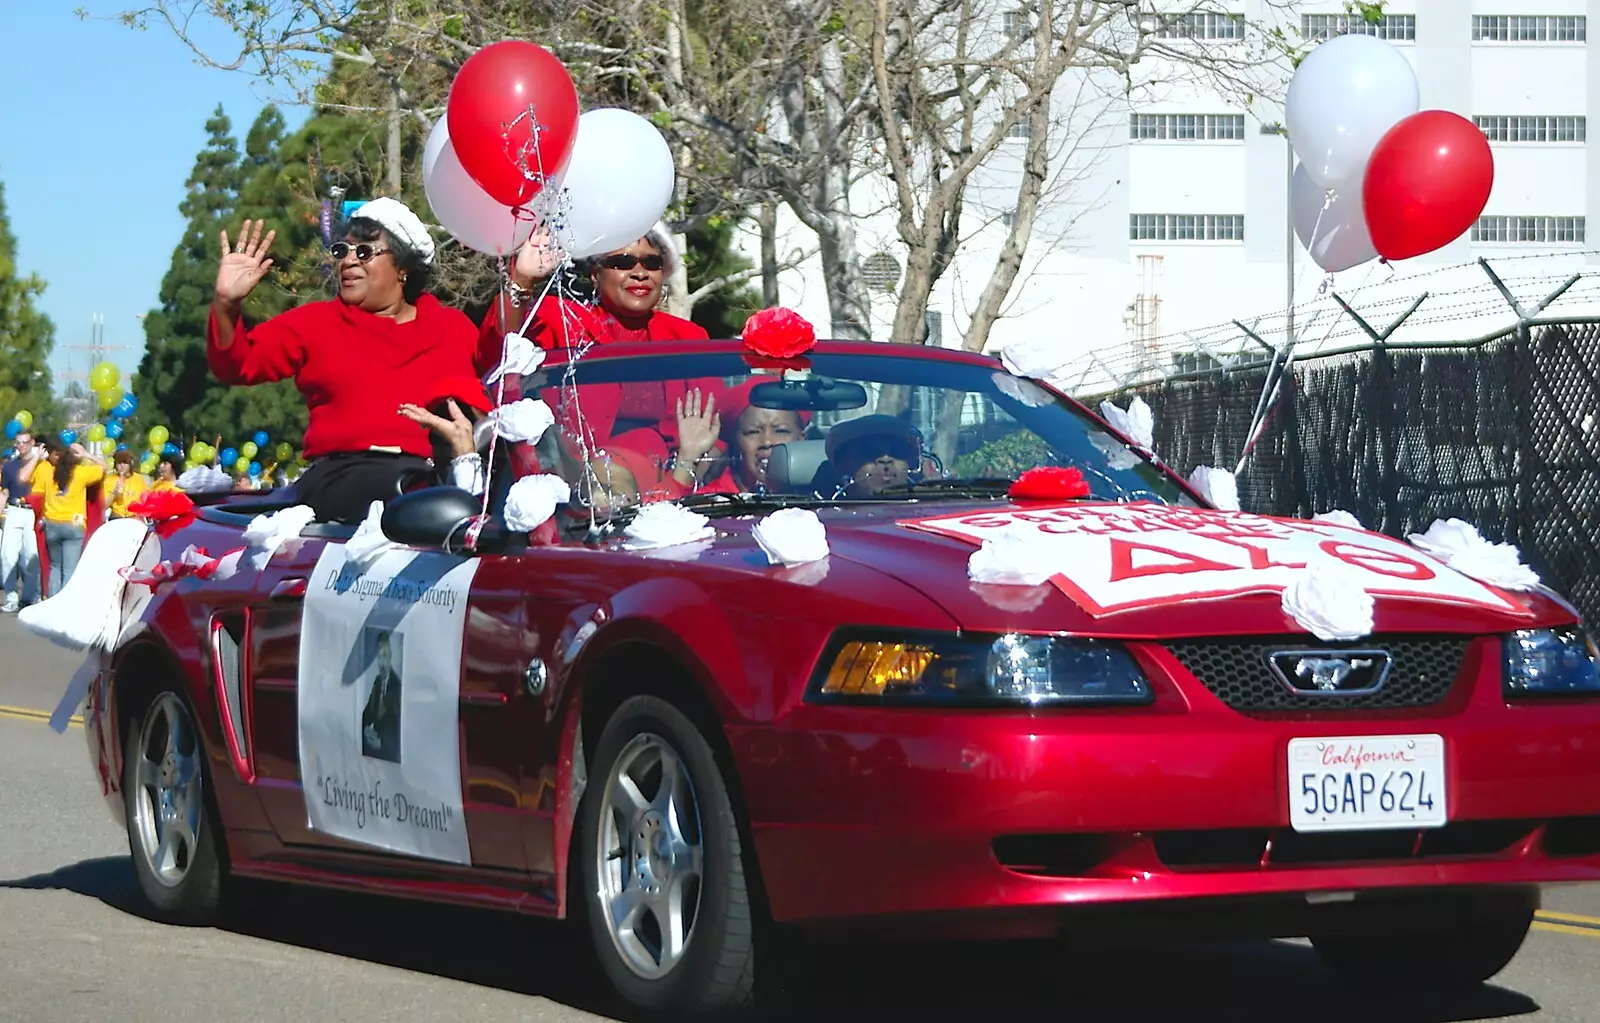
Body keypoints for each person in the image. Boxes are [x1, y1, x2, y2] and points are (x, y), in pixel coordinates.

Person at [207, 199, 497, 523]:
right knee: (407, 497)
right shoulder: (316, 322)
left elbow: (506, 368)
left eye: (364, 252)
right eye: (342, 251)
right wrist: (225, 305)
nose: (347, 261)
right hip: (342, 481)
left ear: (403, 267)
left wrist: (521, 284)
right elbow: (239, 363)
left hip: (436, 480)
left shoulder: (453, 328)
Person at [492, 225, 719, 454]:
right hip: (582, 478)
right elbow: (502, 346)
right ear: (595, 274)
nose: (640, 273)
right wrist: (522, 281)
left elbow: (721, 423)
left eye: (652, 263)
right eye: (623, 262)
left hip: (676, 476)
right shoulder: (563, 319)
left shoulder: (688, 336)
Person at [31, 439, 106, 596]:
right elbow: (104, 467)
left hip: (52, 524)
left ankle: (51, 603)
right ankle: (64, 605)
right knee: (70, 569)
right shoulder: (80, 473)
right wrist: (86, 454)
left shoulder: (49, 473)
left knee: (55, 567)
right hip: (73, 525)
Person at [821, 415, 921, 497]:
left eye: (898, 450)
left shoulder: (930, 509)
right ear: (842, 465)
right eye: (869, 451)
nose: (886, 459)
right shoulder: (813, 518)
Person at [0, 431, 44, 612]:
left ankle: (29, 596)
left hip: (32, 513)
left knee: (31, 557)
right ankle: (11, 597)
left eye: (25, 442)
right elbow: (4, 492)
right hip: (14, 510)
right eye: (18, 443)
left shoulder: (42, 465)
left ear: (32, 442)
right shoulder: (10, 466)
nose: (21, 446)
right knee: (8, 555)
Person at [361, 631, 403, 763]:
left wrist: (382, 743)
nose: (382, 663)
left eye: (384, 656)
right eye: (379, 657)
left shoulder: (398, 687)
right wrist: (365, 728)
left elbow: (399, 728)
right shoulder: (377, 681)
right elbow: (366, 714)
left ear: (390, 656)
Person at [102, 449, 149, 519]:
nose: (122, 465)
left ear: (130, 464)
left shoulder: (139, 479)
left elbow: (146, 501)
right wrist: (114, 492)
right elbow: (104, 506)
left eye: (125, 462)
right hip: (117, 517)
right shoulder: (109, 480)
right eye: (119, 462)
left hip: (135, 518)